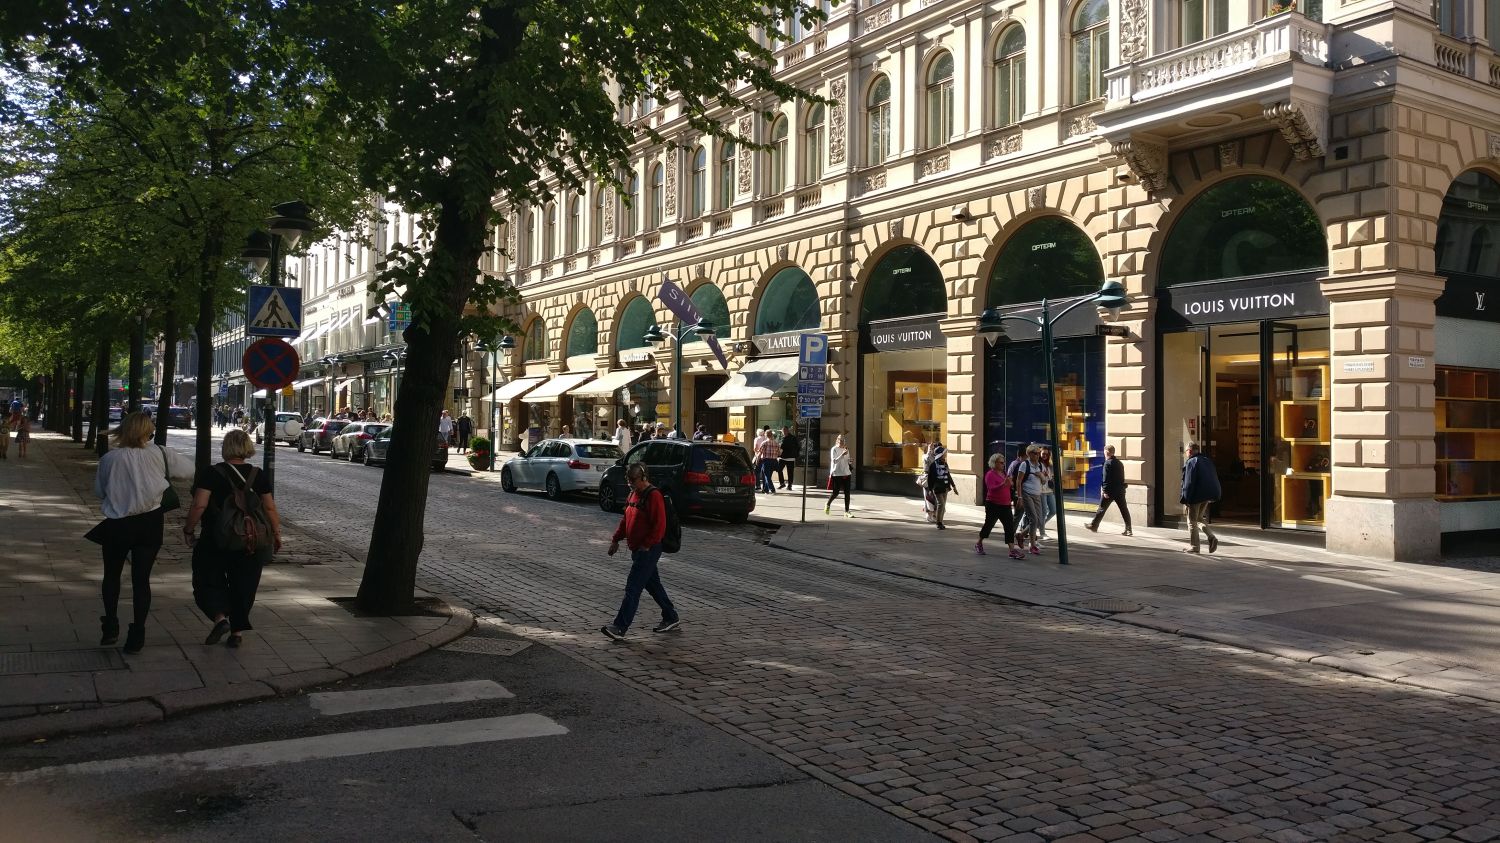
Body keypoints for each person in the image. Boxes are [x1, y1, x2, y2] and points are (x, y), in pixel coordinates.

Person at [86, 412, 195, 654]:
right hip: (150, 523)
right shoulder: (159, 453)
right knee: (141, 580)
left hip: (117, 524)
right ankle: (137, 633)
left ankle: (111, 625)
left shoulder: (109, 459)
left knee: (111, 575)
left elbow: (100, 492)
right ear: (148, 431)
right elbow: (189, 470)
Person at [182, 429, 282, 648]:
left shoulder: (211, 473)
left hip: (215, 537)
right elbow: (269, 508)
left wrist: (188, 529)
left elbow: (199, 505)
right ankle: (237, 632)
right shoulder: (258, 474)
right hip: (250, 540)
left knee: (206, 578)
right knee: (244, 584)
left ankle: (220, 619)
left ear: (226, 447)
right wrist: (275, 533)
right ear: (247, 448)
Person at [601, 463, 680, 640]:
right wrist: (616, 539)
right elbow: (626, 519)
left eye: (633, 479)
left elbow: (659, 526)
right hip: (638, 548)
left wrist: (647, 545)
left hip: (648, 550)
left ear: (643, 477)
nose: (630, 483)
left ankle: (620, 627)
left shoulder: (653, 495)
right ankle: (671, 616)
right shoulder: (633, 494)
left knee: (633, 587)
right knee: (653, 585)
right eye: (628, 479)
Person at [1180, 442, 1222, 553]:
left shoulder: (1191, 462)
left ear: (1189, 451)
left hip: (1195, 496)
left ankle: (1195, 547)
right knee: (1199, 518)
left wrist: (1186, 498)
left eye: (1186, 451)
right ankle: (1211, 537)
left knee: (1191, 521)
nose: (1186, 454)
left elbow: (1189, 483)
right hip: (1206, 496)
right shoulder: (1207, 460)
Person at [977, 452, 1021, 558]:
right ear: (994, 463)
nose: (1003, 464)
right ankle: (979, 543)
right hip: (993, 504)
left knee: (1009, 527)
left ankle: (1012, 550)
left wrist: (1010, 484)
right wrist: (1003, 484)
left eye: (1003, 462)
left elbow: (1008, 486)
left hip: (1005, 504)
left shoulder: (1004, 473)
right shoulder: (990, 474)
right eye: (1001, 462)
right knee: (989, 525)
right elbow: (991, 488)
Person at [1087, 444, 1133, 535]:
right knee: (1124, 510)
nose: (1104, 453)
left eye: (1104, 451)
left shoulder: (1107, 463)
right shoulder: (1119, 463)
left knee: (1102, 508)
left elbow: (1105, 479)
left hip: (1110, 491)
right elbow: (1121, 478)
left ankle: (1094, 526)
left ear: (1107, 452)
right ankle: (1128, 529)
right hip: (1120, 491)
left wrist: (1105, 491)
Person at [1012, 444, 1045, 555]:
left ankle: (1020, 535)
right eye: (1035, 453)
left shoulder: (1040, 465)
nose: (1037, 455)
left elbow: (1044, 481)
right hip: (1027, 494)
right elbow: (1018, 481)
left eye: (1038, 453)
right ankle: (1032, 546)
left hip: (1037, 495)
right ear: (1029, 454)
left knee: (1039, 521)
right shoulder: (1024, 465)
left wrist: (1041, 476)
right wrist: (1020, 497)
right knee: (1033, 519)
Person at [923, 445, 957, 529]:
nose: (945, 455)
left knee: (943, 505)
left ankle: (940, 521)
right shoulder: (933, 465)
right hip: (937, 488)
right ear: (940, 455)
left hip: (945, 487)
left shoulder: (945, 464)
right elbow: (930, 478)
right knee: (940, 504)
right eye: (944, 454)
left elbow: (948, 475)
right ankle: (938, 523)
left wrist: (954, 486)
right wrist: (930, 489)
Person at [825, 434, 854, 517]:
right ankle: (828, 504)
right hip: (837, 473)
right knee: (836, 492)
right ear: (837, 440)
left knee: (847, 493)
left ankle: (847, 511)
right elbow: (834, 461)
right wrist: (842, 455)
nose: (842, 442)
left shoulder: (846, 449)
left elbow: (847, 461)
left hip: (846, 473)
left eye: (843, 440)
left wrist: (850, 461)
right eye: (840, 440)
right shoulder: (834, 449)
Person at [1035, 447, 1056, 541]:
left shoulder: (1049, 465)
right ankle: (1042, 532)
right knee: (1043, 512)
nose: (1045, 456)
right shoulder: (1038, 464)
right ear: (1040, 454)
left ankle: (1039, 526)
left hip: (1049, 490)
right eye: (1043, 453)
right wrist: (1043, 475)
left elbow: (1052, 477)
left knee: (1053, 511)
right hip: (1041, 491)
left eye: (1047, 454)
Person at [755, 426, 780, 494]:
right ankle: (766, 490)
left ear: (766, 435)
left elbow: (760, 453)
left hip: (766, 461)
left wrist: (757, 461)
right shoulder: (776, 443)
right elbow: (779, 453)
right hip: (774, 461)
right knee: (769, 476)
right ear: (771, 435)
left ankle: (772, 489)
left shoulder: (764, 443)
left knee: (767, 476)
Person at [778, 425, 799, 490]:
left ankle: (789, 485)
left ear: (787, 430)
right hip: (783, 457)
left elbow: (797, 447)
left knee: (790, 472)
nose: (783, 432)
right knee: (779, 470)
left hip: (790, 458)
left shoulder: (792, 438)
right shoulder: (782, 438)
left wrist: (795, 454)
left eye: (785, 430)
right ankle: (782, 483)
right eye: (783, 431)